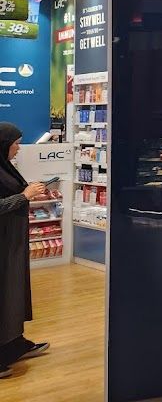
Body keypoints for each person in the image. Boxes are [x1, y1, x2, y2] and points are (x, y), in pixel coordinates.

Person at [0, 123, 50, 378]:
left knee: (13, 291)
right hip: (4, 244)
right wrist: (24, 196)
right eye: (15, 144)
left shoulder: (5, 167)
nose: (18, 149)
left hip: (11, 242)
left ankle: (13, 343)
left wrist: (29, 192)